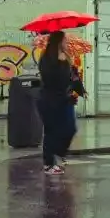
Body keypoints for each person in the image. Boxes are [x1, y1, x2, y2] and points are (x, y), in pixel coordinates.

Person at [37, 31, 84, 175]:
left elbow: (72, 78)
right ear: (58, 41)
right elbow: (51, 80)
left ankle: (59, 153)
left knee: (70, 129)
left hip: (65, 99)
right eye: (64, 40)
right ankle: (48, 164)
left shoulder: (67, 57)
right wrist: (62, 64)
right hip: (49, 100)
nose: (66, 42)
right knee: (51, 132)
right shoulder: (46, 59)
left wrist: (79, 87)